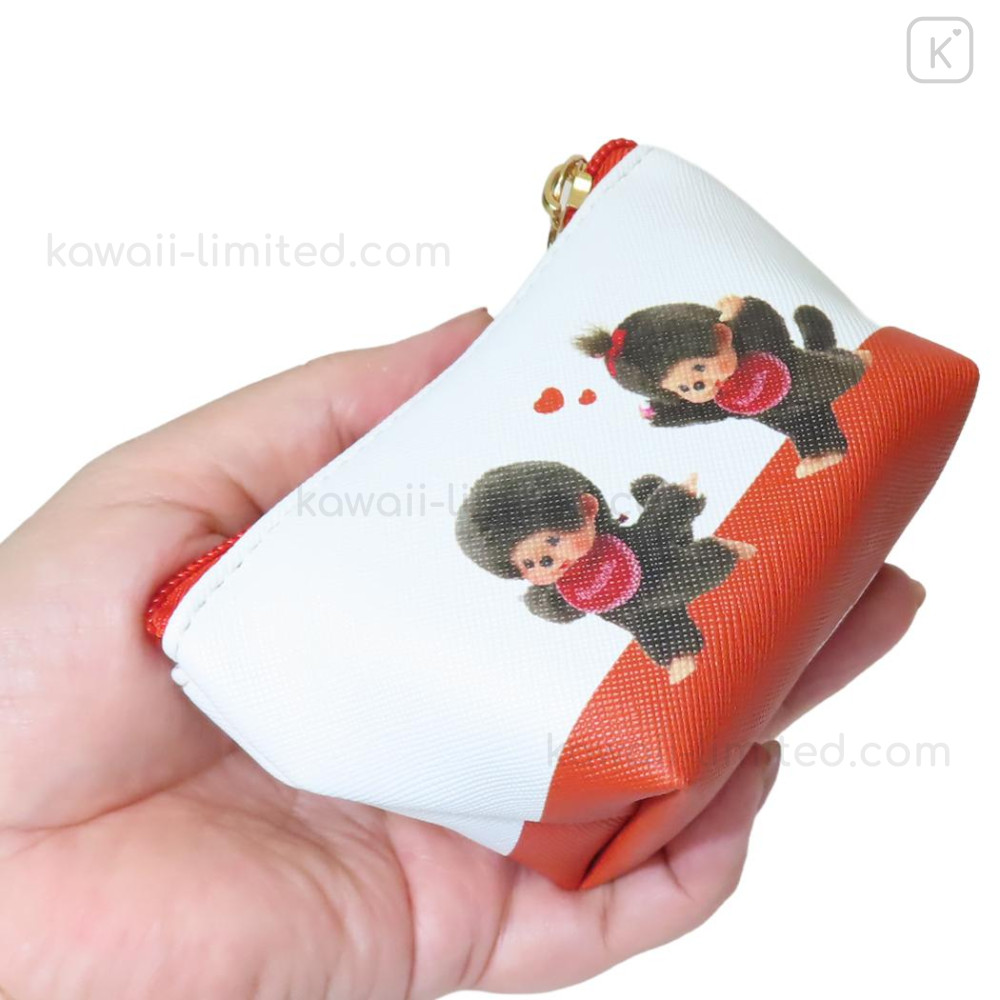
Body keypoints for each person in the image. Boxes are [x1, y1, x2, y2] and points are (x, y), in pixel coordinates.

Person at [0, 309, 925, 999]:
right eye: (533, 565)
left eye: (552, 548)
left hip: (674, 565)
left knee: (703, 568)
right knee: (664, 629)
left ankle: (771, 511)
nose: (550, 567)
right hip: (496, 825)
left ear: (586, 512)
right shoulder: (546, 601)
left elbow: (651, 530)